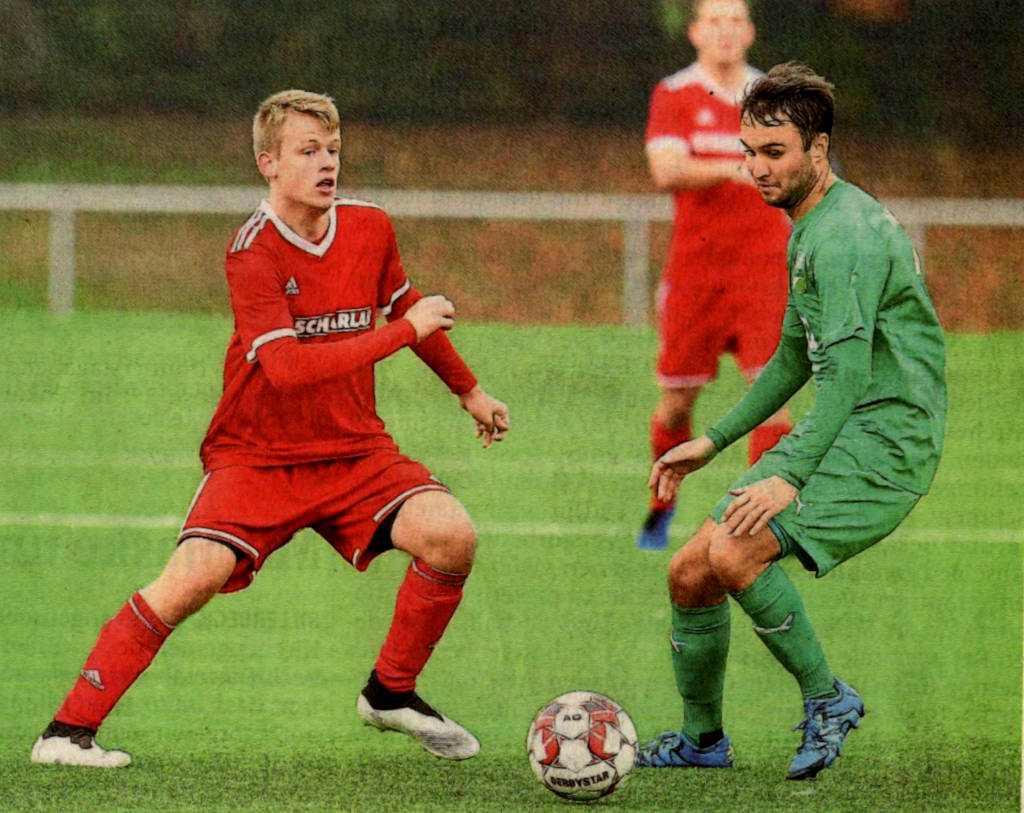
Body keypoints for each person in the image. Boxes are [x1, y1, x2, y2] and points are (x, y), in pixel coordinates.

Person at [30, 90, 510, 768]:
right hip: (257, 455)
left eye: (333, 150)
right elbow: (287, 368)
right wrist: (401, 333)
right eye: (307, 151)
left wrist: (469, 389)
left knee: (451, 534)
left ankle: (391, 690)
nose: (326, 164)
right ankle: (65, 732)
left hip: (354, 450)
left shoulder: (370, 227)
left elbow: (404, 303)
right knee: (191, 578)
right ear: (268, 163)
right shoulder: (251, 251)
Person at [635, 62, 946, 780]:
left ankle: (827, 698)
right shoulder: (811, 223)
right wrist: (711, 443)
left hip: (886, 440)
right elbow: (789, 360)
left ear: (819, 148)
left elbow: (847, 375)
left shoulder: (841, 238)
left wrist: (788, 478)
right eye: (748, 151)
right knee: (689, 572)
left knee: (737, 552)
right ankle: (703, 741)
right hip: (850, 416)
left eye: (773, 153)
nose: (755, 168)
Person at [638, 0, 794, 551]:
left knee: (772, 398)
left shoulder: (776, 98)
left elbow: (801, 169)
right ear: (696, 33)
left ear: (750, 32)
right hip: (696, 274)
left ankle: (751, 523)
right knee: (678, 403)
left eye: (736, 20)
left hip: (764, 272)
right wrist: (736, 167)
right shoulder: (674, 93)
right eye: (715, 21)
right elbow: (666, 168)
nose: (726, 31)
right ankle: (662, 506)